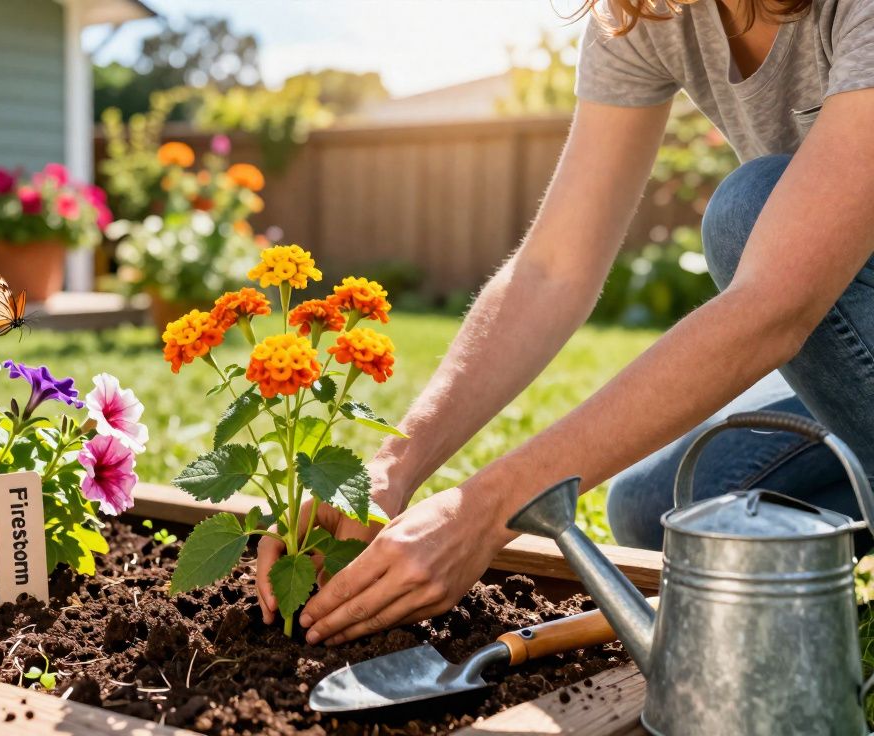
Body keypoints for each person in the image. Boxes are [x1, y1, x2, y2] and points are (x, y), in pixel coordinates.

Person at [255, 0, 874, 647]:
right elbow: (553, 268)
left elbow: (774, 304)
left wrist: (485, 511)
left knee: (749, 210)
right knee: (658, 510)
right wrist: (389, 469)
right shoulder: (651, 13)